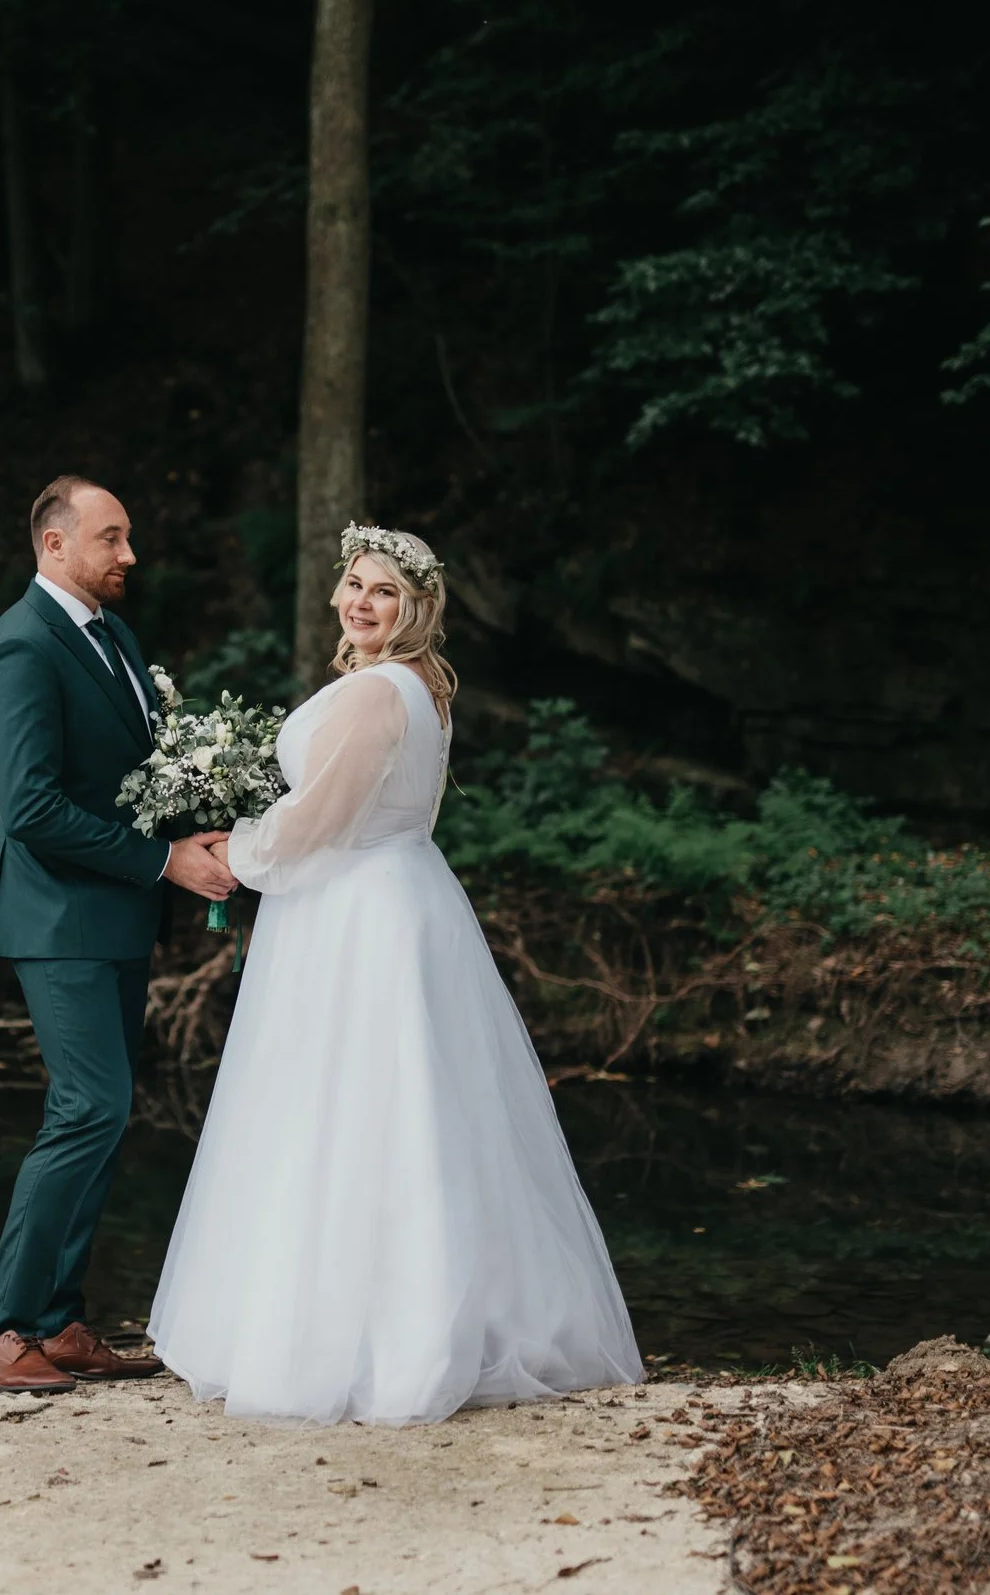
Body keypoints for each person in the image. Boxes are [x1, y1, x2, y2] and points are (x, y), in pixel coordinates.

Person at [148, 525, 645, 1426]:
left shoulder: (381, 691)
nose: (360, 602)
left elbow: (321, 821)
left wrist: (236, 851)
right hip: (399, 898)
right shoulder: (418, 689)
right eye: (353, 585)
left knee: (354, 1114)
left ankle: (373, 1339)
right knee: (416, 1113)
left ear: (416, 607)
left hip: (359, 914)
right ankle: (413, 1316)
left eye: (382, 591)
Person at [0, 475, 236, 1394]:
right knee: (86, 1106)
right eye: (112, 538)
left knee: (109, 1111)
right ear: (55, 546)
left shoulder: (113, 635)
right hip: (60, 915)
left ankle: (58, 1320)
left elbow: (133, 773)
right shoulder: (20, 646)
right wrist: (164, 864)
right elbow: (34, 809)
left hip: (115, 913)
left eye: (127, 537)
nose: (130, 555)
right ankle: (4, 1329)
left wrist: (204, 820)